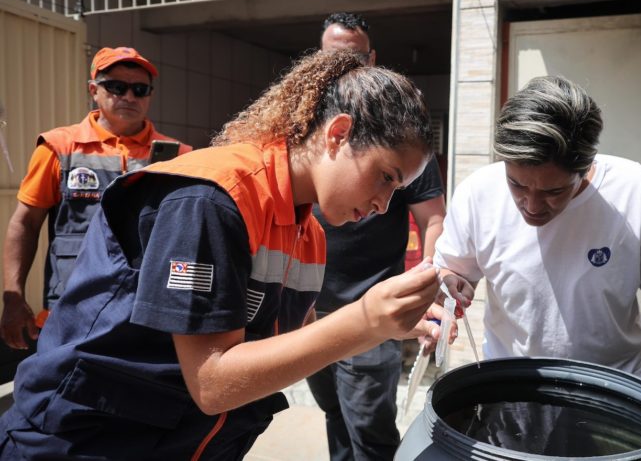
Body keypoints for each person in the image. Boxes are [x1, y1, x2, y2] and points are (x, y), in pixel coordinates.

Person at [0, 49, 449, 460]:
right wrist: (365, 321)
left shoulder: (307, 233)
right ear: (339, 134)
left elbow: (297, 341)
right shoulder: (212, 200)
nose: (384, 205)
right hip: (81, 441)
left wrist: (388, 324)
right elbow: (212, 383)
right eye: (386, 177)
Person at [435, 76, 641, 417]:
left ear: (585, 167)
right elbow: (452, 270)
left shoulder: (636, 193)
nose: (532, 206)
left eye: (553, 192)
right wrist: (451, 286)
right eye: (517, 185)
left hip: (617, 393)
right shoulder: (478, 194)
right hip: (511, 392)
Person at [306, 12, 447, 461]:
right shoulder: (303, 126)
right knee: (334, 415)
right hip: (310, 309)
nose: (344, 68)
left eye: (354, 58)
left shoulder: (398, 135)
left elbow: (433, 219)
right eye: (333, 58)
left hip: (371, 311)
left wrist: (428, 290)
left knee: (370, 430)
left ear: (372, 59)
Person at [1, 47, 191, 350]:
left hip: (146, 312)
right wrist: (13, 297)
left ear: (150, 95)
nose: (129, 96)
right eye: (117, 87)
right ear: (93, 91)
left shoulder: (179, 155)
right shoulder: (58, 147)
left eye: (139, 89)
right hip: (73, 308)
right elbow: (25, 223)